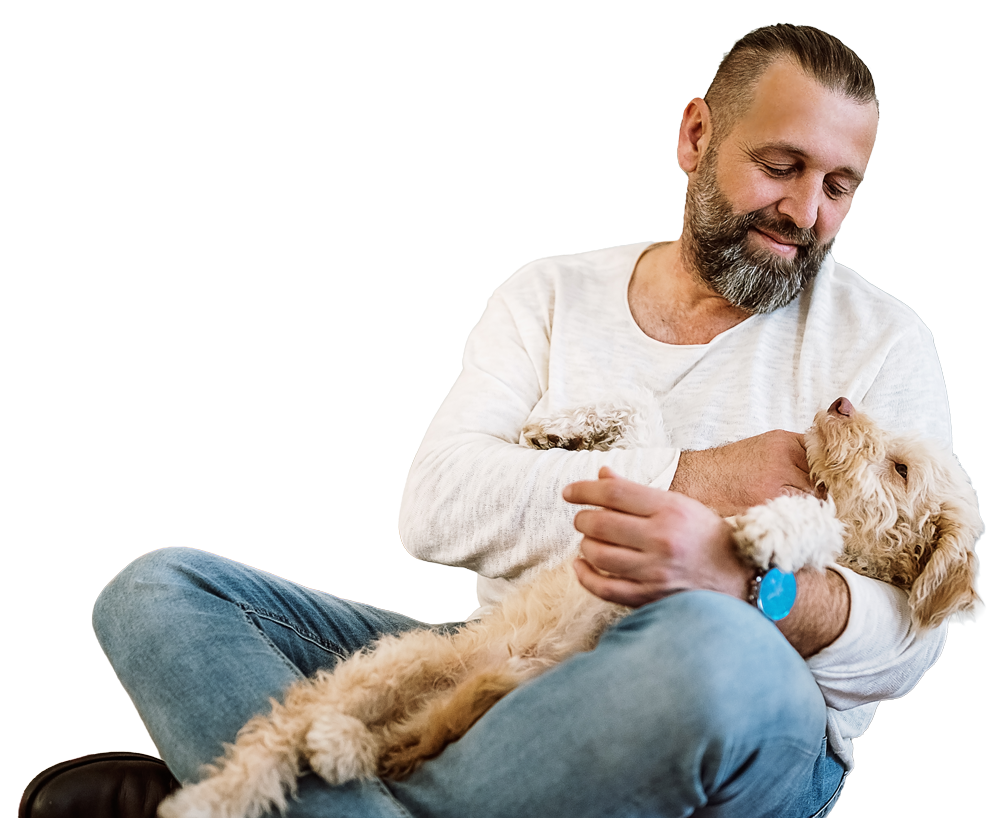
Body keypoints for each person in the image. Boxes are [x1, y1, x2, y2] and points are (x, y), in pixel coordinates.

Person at [23, 24, 952, 818]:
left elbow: (915, 641)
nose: (804, 211)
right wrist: (697, 475)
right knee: (155, 591)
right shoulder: (548, 298)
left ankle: (261, 793)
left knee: (713, 655)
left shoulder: (881, 342)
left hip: (741, 708)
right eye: (781, 166)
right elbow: (438, 505)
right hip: (497, 670)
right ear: (696, 135)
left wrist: (752, 592)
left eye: (839, 186)